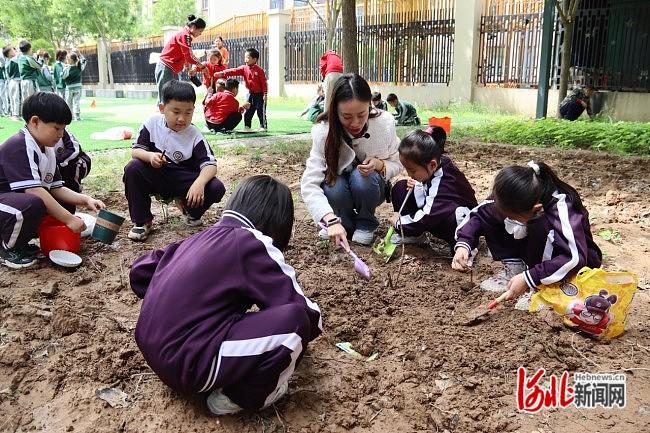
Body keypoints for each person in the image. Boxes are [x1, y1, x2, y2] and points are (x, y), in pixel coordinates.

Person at [130, 175, 322, 415]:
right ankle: (237, 398)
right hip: (187, 367)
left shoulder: (196, 239)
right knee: (294, 323)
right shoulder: (251, 241)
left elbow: (139, 272)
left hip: (152, 349)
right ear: (278, 220)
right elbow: (307, 316)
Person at [452, 161, 602, 309]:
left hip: (572, 262)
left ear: (536, 208)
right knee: (494, 214)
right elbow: (480, 215)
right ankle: (515, 268)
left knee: (540, 226)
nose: (510, 220)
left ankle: (545, 287)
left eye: (514, 217)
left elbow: (573, 257)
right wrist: (464, 245)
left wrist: (530, 278)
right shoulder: (510, 196)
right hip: (534, 251)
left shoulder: (561, 208)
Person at [0, 92, 105, 268]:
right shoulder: (20, 145)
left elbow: (56, 188)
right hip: (8, 202)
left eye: (63, 129)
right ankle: (7, 248)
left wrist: (86, 199)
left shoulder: (47, 149)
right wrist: (69, 219)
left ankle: (21, 242)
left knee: (52, 204)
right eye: (57, 128)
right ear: (35, 122)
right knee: (33, 203)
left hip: (11, 202)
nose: (61, 134)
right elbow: (35, 190)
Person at [301, 73, 402, 247]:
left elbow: (398, 162)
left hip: (370, 188)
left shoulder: (384, 123)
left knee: (362, 177)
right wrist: (330, 219)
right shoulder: (323, 132)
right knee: (333, 185)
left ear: (370, 106)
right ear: (335, 111)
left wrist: (380, 165)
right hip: (339, 191)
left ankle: (366, 223)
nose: (355, 123)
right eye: (347, 117)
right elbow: (309, 183)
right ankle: (344, 222)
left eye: (362, 115)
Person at [122, 80, 225, 241]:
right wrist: (150, 157)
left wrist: (199, 183)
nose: (182, 119)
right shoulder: (152, 123)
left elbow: (210, 164)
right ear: (163, 109)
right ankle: (142, 221)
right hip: (157, 175)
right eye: (176, 112)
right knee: (133, 168)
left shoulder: (194, 134)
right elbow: (135, 151)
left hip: (183, 180)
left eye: (188, 113)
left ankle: (190, 210)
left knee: (216, 187)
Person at [388, 127, 477, 247]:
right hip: (436, 210)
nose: (410, 175)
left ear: (432, 165)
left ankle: (465, 246)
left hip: (455, 219)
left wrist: (400, 223)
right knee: (401, 187)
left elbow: (428, 216)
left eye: (412, 170)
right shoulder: (433, 165)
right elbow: (429, 190)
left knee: (456, 218)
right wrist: (419, 185)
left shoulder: (445, 182)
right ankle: (413, 235)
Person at [155, 15, 208, 104]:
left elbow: (185, 55)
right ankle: (161, 118)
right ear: (194, 27)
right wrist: (202, 67)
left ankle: (168, 117)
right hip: (166, 67)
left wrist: (188, 69)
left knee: (171, 98)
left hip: (171, 69)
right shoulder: (185, 35)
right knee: (164, 99)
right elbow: (189, 56)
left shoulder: (186, 35)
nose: (200, 34)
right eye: (200, 31)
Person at [217, 48, 268, 132]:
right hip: (250, 94)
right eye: (245, 57)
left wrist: (265, 94)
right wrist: (223, 73)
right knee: (248, 111)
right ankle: (247, 126)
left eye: (248, 57)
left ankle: (263, 126)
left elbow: (264, 83)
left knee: (260, 111)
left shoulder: (259, 70)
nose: (245, 60)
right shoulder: (244, 68)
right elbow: (234, 70)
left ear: (254, 59)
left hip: (260, 94)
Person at [54, 129, 91, 198]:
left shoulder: (63, 132)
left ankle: (75, 191)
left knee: (70, 166)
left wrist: (57, 162)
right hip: (53, 166)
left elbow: (74, 150)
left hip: (73, 163)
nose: (60, 135)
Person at [62, 52, 86, 121]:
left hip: (69, 88)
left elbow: (63, 77)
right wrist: (79, 53)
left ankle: (70, 117)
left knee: (69, 103)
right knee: (77, 102)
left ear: (70, 60)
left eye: (67, 58)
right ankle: (77, 117)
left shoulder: (67, 68)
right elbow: (84, 60)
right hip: (78, 87)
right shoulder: (79, 67)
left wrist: (63, 71)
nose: (66, 60)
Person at [17, 40, 43, 104]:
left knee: (26, 100)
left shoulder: (20, 58)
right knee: (34, 99)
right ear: (30, 49)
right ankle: (34, 113)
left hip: (23, 81)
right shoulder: (29, 58)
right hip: (30, 81)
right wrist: (40, 57)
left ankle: (26, 113)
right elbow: (39, 66)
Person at [3, 46, 21, 120]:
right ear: (9, 53)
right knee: (15, 98)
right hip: (15, 80)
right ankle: (15, 115)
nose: (15, 50)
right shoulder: (14, 59)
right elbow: (20, 54)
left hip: (10, 81)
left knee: (13, 98)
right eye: (13, 50)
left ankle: (14, 114)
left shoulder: (7, 61)